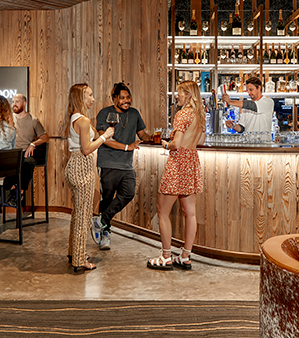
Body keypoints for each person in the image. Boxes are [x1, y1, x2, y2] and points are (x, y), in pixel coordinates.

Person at [147, 80, 205, 271]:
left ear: (188, 95)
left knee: (163, 211)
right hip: (192, 162)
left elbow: (177, 144)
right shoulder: (199, 114)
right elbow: (201, 140)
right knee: (190, 213)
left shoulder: (182, 114)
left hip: (178, 163)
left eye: (179, 93)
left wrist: (166, 144)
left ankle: (166, 257)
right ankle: (185, 256)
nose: (176, 96)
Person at [91, 82, 151, 250]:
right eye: (122, 98)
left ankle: (101, 220)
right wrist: (127, 147)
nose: (126, 101)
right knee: (107, 198)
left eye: (128, 97)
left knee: (128, 192)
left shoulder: (134, 113)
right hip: (108, 162)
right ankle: (105, 234)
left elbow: (142, 134)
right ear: (114, 98)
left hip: (126, 164)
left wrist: (155, 138)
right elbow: (105, 139)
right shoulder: (104, 113)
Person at [64, 83, 114, 272]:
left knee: (78, 214)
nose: (93, 99)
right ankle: (79, 259)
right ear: (80, 97)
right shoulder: (83, 120)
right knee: (83, 216)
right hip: (81, 166)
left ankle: (74, 253)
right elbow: (86, 149)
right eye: (90, 95)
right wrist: (104, 137)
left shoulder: (74, 117)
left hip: (74, 165)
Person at [3, 93, 49, 204]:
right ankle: (12, 190)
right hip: (11, 153)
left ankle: (20, 191)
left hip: (25, 153)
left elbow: (45, 137)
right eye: (13, 102)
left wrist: (33, 144)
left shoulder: (33, 120)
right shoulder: (7, 119)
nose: (14, 104)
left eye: (17, 101)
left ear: (24, 103)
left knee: (28, 162)